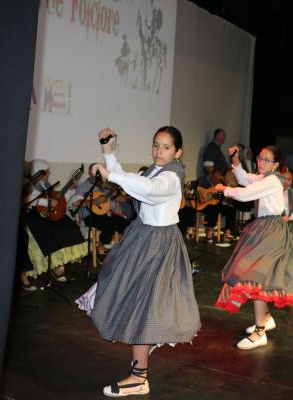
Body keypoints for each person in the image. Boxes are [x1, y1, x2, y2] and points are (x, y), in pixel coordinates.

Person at [76, 127, 201, 397]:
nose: (158, 150)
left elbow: (148, 189)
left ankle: (138, 377)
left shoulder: (171, 176)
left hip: (158, 244)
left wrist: (110, 174)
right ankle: (140, 371)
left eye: (166, 147)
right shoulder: (155, 171)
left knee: (142, 306)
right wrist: (109, 152)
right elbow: (133, 180)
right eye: (156, 144)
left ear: (178, 152)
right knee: (136, 302)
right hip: (143, 237)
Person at [214, 145, 293, 350]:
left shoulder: (271, 180)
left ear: (276, 165)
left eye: (266, 160)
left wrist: (223, 189)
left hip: (270, 230)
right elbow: (245, 179)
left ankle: (260, 331)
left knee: (255, 276)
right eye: (260, 159)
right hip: (265, 228)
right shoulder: (265, 178)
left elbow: (245, 194)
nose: (261, 163)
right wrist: (235, 161)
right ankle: (266, 318)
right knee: (254, 275)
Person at [23, 159, 87, 281]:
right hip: (33, 216)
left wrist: (71, 190)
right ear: (39, 172)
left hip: (47, 215)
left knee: (68, 225)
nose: (50, 173)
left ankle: (57, 262)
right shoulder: (29, 185)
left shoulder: (46, 185)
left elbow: (58, 202)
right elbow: (27, 198)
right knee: (50, 230)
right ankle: (54, 265)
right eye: (47, 172)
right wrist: (46, 202)